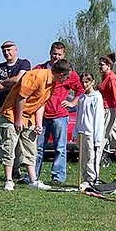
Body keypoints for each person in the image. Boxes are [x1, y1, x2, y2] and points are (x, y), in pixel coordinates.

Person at [0, 59, 72, 191]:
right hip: (12, 115)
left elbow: (41, 103)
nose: (67, 80)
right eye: (67, 77)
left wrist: (39, 123)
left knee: (31, 148)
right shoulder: (36, 76)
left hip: (29, 118)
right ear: (60, 74)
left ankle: (33, 181)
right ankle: (9, 181)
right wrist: (18, 119)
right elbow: (21, 97)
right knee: (9, 147)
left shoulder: (52, 83)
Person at [34, 42, 84, 185]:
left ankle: (58, 177)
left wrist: (73, 103)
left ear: (64, 55)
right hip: (41, 116)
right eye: (54, 53)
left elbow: (81, 89)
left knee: (60, 148)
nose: (56, 56)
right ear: (50, 53)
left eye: (59, 54)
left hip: (60, 116)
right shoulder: (40, 69)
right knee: (37, 148)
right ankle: (33, 175)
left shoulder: (69, 72)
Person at [0, 40, 31, 180]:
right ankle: (10, 176)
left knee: (22, 146)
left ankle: (19, 171)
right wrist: (11, 83)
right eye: (4, 51)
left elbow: (19, 81)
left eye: (9, 50)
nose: (7, 53)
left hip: (21, 109)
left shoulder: (24, 63)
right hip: (4, 109)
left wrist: (2, 82)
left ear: (16, 50)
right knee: (8, 143)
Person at [73, 72, 104, 189]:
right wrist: (76, 132)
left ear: (93, 82)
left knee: (91, 157)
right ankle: (85, 179)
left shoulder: (97, 97)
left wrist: (97, 139)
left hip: (91, 133)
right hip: (82, 132)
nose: (84, 84)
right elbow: (78, 116)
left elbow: (98, 119)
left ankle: (93, 179)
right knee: (83, 158)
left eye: (87, 82)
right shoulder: (81, 98)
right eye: (83, 82)